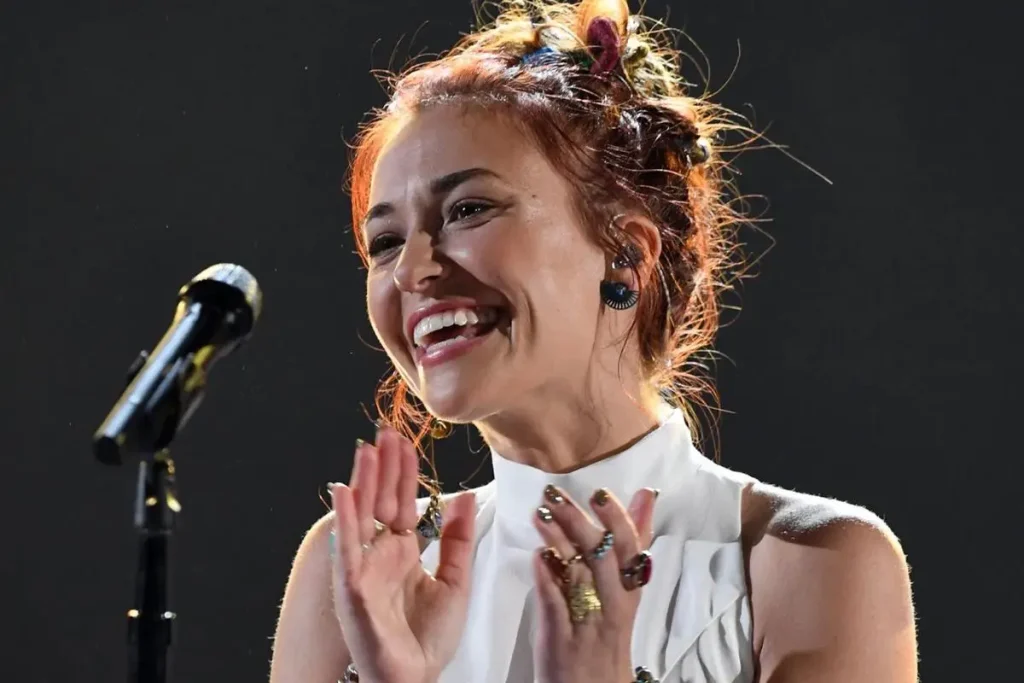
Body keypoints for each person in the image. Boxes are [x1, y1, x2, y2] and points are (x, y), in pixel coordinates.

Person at [270, 0, 918, 681]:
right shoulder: (351, 571)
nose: (411, 270)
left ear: (625, 255)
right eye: (385, 241)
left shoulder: (809, 563)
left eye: (468, 210)